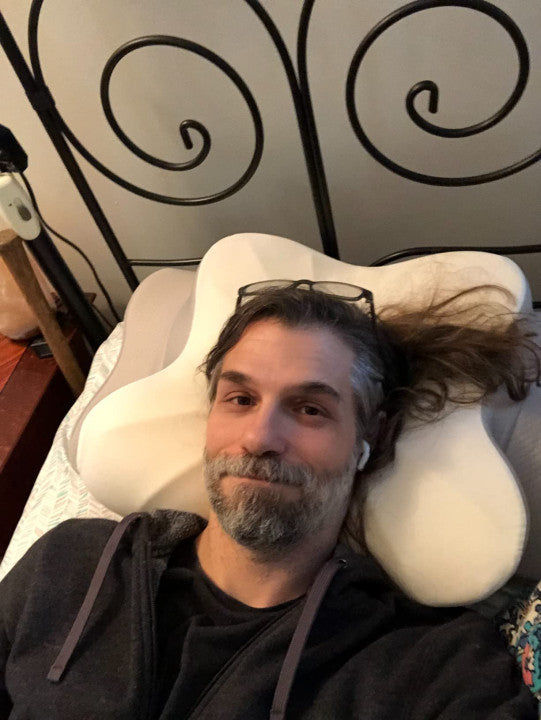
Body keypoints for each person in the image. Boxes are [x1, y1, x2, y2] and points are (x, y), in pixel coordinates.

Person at [0, 279, 539, 719]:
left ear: (369, 439)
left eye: (310, 409)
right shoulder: (71, 562)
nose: (259, 438)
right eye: (240, 399)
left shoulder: (428, 668)